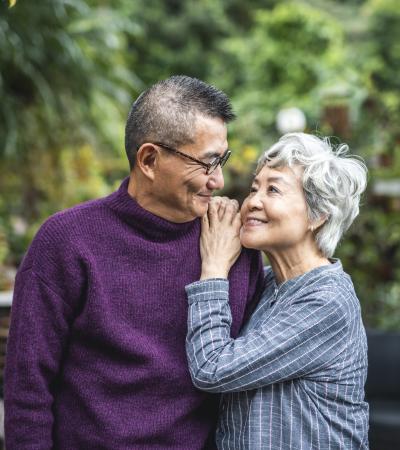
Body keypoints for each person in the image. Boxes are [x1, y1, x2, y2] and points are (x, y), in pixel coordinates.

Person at [4, 76, 264, 449]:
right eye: (207, 164)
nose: (218, 181)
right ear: (149, 160)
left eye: (222, 160)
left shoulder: (232, 246)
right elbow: (28, 390)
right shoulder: (66, 242)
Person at [185, 132, 369, 449]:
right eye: (254, 188)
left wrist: (213, 268)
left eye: (273, 189)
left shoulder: (327, 301)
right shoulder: (269, 284)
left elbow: (212, 368)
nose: (253, 201)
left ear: (318, 215)